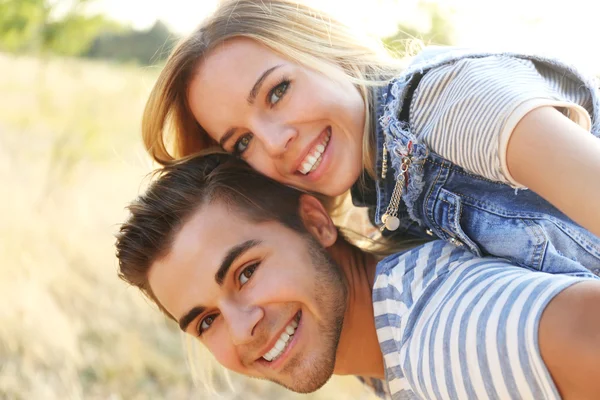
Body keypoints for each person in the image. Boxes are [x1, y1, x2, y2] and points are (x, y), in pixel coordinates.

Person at [141, 0, 600, 278]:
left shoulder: (445, 101)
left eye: (277, 91)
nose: (274, 142)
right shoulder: (386, 203)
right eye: (241, 143)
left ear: (325, 47)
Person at [116, 153, 600, 399]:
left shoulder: (440, 334)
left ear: (316, 222)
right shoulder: (384, 353)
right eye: (205, 321)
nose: (242, 328)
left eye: (245, 273)